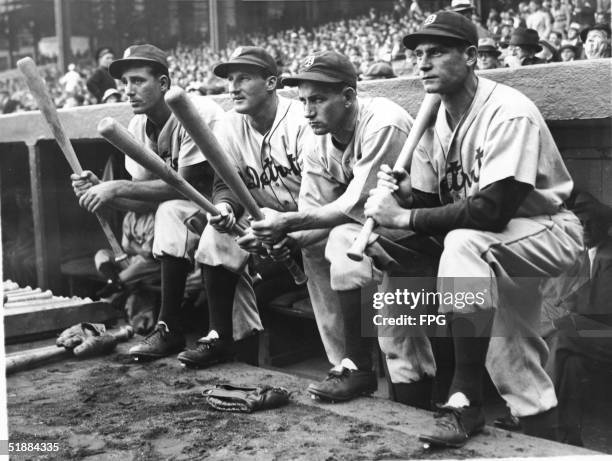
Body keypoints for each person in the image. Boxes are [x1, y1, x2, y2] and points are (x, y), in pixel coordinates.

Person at [364, 11, 583, 447]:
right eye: (418, 54)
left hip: (548, 230)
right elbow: (450, 205)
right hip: (496, 241)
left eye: (437, 52)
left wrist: (403, 217)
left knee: (464, 245)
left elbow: (491, 210)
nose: (422, 63)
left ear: (469, 56)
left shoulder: (508, 110)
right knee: (511, 350)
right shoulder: (433, 117)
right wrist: (412, 200)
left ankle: (465, 394)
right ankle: (546, 436)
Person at [250, 50, 416, 404]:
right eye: (304, 100)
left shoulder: (382, 122)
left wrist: (288, 223)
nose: (308, 111)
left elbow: (354, 206)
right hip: (376, 229)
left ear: (349, 97)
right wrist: (285, 239)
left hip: (420, 228)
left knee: (340, 237)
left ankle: (358, 364)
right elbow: (315, 210)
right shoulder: (317, 138)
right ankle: (343, 362)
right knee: (314, 245)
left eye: (319, 99)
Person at [72, 44, 225, 360]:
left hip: (225, 205)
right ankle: (168, 329)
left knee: (171, 213)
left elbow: (188, 187)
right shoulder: (137, 126)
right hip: (186, 221)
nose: (129, 91)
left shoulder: (197, 111)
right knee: (165, 217)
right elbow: (145, 201)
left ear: (165, 84)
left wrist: (115, 188)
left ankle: (175, 327)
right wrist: (101, 191)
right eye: (125, 82)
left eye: (139, 80)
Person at [176, 46, 310, 368]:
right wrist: (225, 207)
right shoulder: (230, 125)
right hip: (269, 234)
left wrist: (287, 231)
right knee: (216, 233)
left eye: (244, 78)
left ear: (271, 83)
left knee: (254, 280)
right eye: (230, 79)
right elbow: (227, 183)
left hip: (310, 230)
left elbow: (319, 195)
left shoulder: (301, 120)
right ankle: (220, 337)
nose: (233, 87)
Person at [545, 191, 612, 446]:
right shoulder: (581, 255)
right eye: (580, 223)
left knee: (560, 334)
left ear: (606, 226)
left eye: (591, 222)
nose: (584, 228)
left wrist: (559, 310)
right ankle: (568, 440)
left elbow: (602, 306)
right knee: (571, 362)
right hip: (587, 337)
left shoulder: (609, 255)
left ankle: (534, 409)